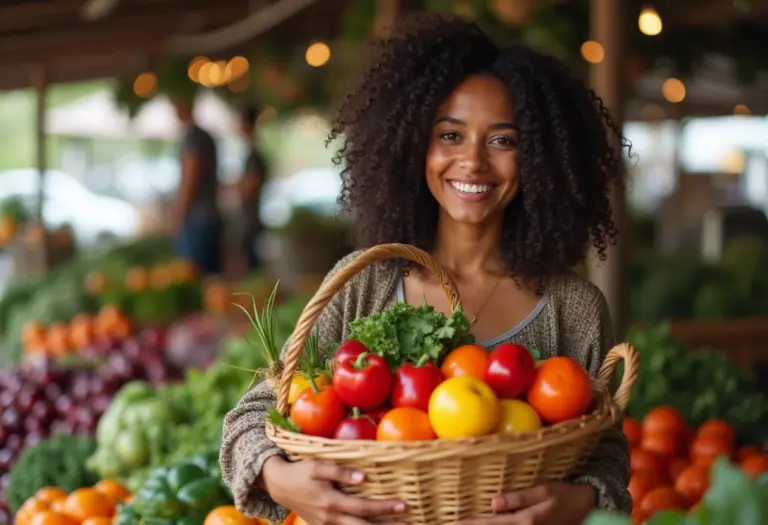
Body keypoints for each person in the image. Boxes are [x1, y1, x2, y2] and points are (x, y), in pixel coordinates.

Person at [220, 14, 631, 525]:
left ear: (539, 160)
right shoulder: (364, 284)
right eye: (450, 135)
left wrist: (581, 499)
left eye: (503, 141)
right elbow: (249, 419)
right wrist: (286, 483)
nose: (474, 162)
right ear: (414, 146)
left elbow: (608, 447)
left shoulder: (575, 309)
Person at [171, 99, 223, 275]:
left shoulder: (192, 138)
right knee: (213, 281)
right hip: (211, 214)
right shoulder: (206, 136)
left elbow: (190, 179)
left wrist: (179, 211)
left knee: (192, 275)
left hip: (197, 218)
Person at [236, 105, 269, 272]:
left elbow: (251, 186)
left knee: (254, 268)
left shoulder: (254, 155)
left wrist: (237, 187)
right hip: (251, 218)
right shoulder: (252, 153)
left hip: (251, 219)